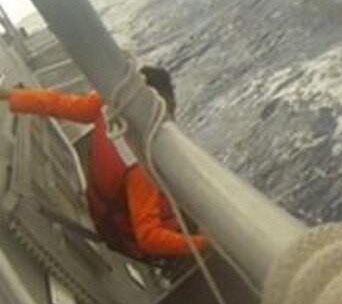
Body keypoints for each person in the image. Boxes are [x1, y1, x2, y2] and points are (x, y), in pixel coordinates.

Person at [0, 66, 208, 259]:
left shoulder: (108, 106)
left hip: (104, 214)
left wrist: (10, 95)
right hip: (128, 237)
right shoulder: (141, 167)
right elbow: (148, 238)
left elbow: (58, 103)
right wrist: (204, 244)